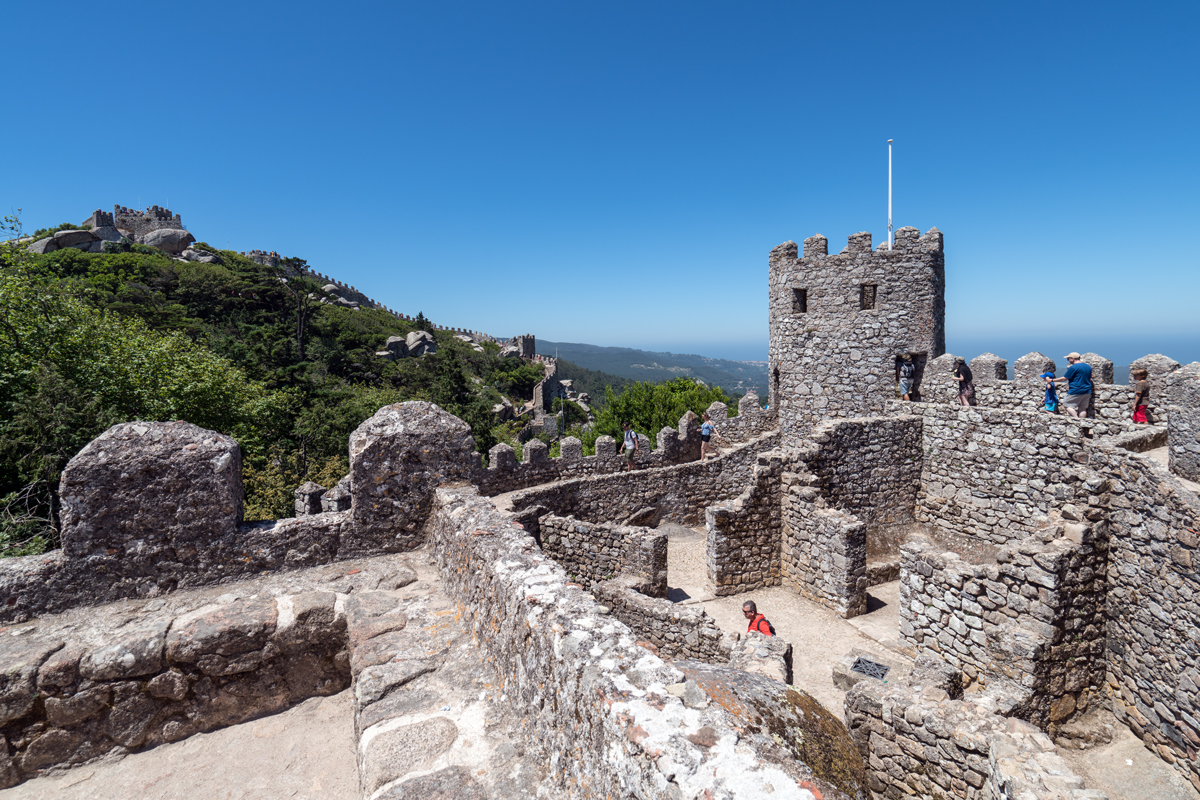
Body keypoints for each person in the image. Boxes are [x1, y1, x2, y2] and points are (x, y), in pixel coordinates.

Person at [1053, 353, 1093, 418]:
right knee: (1082, 408)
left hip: (1076, 390)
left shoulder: (1073, 367)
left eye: (1068, 359)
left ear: (1073, 358)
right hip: (1087, 390)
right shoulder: (1088, 366)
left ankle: (1076, 420)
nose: (1068, 360)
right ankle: (1082, 422)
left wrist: (1052, 380)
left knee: (1067, 405)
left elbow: (1064, 378)